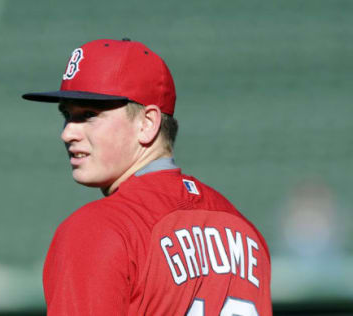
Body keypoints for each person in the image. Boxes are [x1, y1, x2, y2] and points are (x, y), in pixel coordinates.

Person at [22, 38, 272, 316]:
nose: (68, 133)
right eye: (67, 115)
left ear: (147, 123)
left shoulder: (98, 229)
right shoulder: (243, 230)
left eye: (89, 115)